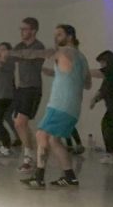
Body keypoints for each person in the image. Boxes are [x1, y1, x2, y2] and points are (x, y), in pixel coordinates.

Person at [14, 24, 90, 189]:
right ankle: (70, 177)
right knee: (54, 140)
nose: (56, 38)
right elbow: (87, 83)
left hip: (60, 105)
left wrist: (11, 53)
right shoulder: (82, 57)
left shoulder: (64, 51)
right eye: (55, 34)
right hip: (72, 107)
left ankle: (39, 177)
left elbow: (37, 53)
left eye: (60, 34)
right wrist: (57, 74)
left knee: (41, 134)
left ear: (70, 36)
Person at [13, 17, 46, 173]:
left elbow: (28, 55)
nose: (21, 32)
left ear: (33, 31)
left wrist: (13, 54)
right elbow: (11, 56)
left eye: (25, 29)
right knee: (20, 124)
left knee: (20, 123)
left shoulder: (39, 46)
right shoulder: (19, 46)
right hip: (21, 88)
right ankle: (32, 154)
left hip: (33, 88)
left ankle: (28, 158)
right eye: (20, 29)